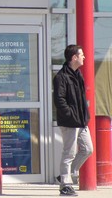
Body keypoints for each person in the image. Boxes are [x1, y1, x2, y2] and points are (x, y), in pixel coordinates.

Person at [53, 44, 93, 196]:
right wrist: (70, 114)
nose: (84, 57)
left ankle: (68, 173)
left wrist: (84, 116)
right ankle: (65, 185)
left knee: (88, 149)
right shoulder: (61, 77)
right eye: (81, 54)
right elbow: (59, 100)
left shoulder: (78, 75)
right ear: (74, 57)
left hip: (81, 120)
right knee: (68, 153)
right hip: (70, 121)